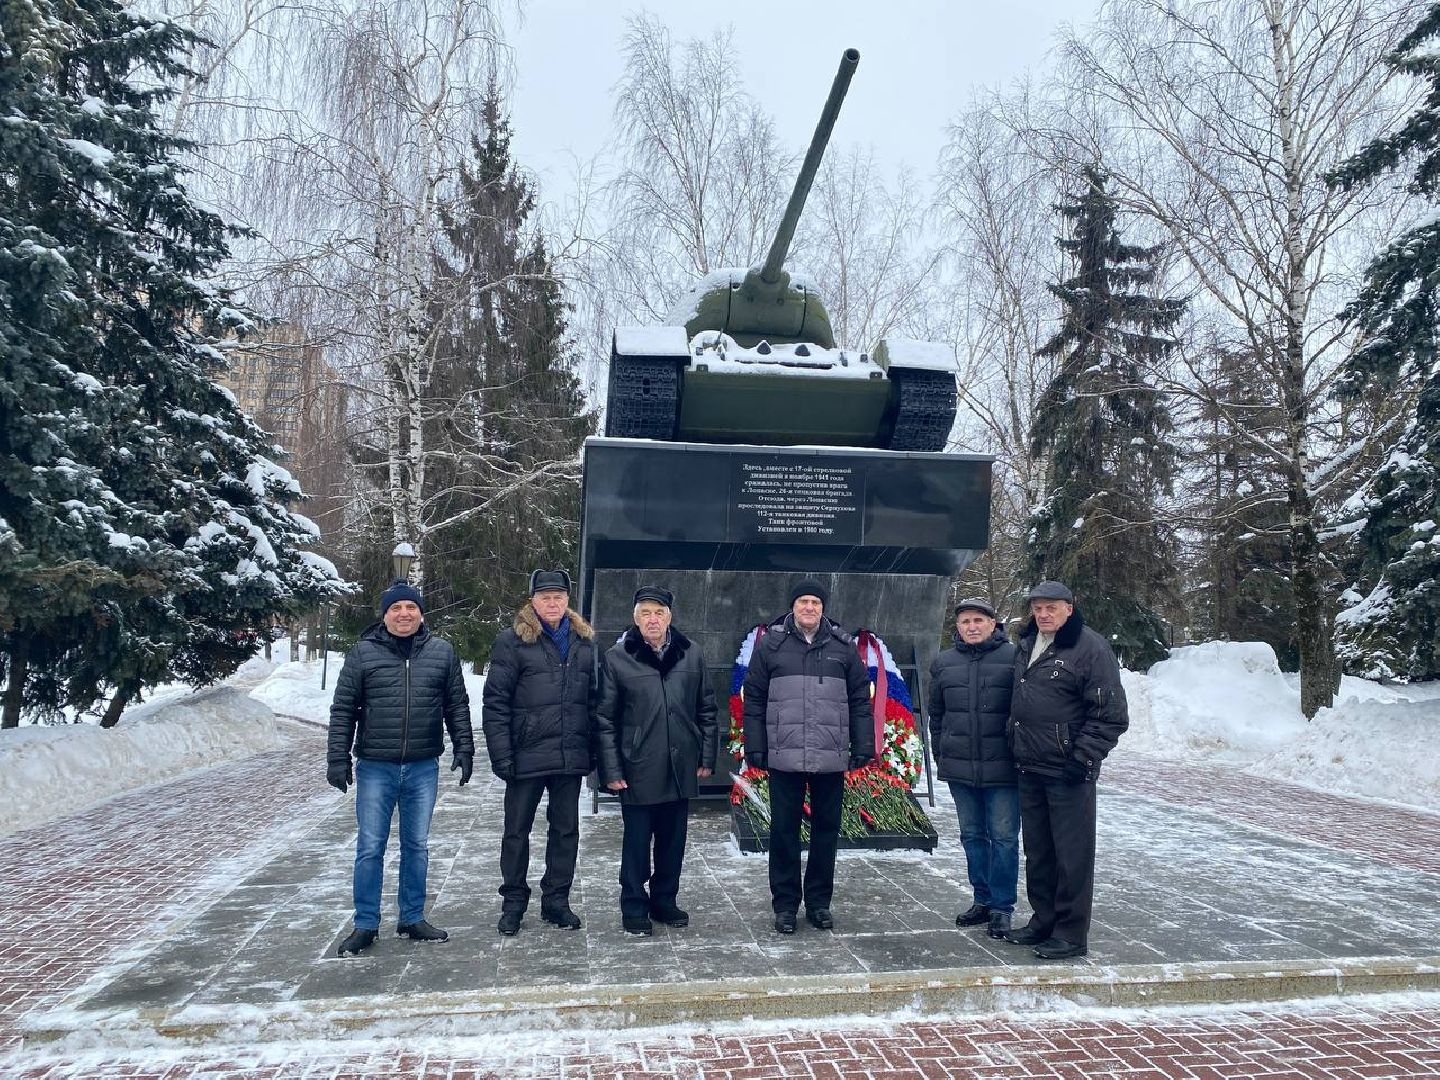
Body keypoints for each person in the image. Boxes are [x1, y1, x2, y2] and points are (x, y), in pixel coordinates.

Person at [327, 580, 475, 958]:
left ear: (421, 613)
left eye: (411, 607)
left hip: (423, 766)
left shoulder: (441, 652)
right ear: (385, 615)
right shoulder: (363, 653)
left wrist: (465, 747)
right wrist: (338, 758)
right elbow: (343, 709)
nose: (404, 614)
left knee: (416, 846)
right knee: (370, 846)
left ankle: (412, 917)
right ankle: (365, 923)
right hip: (376, 766)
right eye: (396, 608)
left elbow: (456, 705)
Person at [1004, 580, 1128, 960]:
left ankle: (1071, 933)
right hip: (1029, 765)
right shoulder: (1027, 644)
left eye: (1051, 608)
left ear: (1069, 609)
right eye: (1038, 608)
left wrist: (1083, 758)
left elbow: (1110, 715)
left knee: (1071, 856)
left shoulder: (1090, 648)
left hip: (1068, 771)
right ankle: (1043, 920)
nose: (1043, 614)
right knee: (1039, 851)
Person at [742, 577, 874, 934]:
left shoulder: (843, 647)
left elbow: (860, 699)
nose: (809, 608)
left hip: (829, 755)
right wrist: (755, 745)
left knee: (826, 831)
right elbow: (754, 698)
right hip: (785, 755)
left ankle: (818, 903)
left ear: (823, 608)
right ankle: (785, 905)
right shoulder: (771, 645)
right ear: (793, 606)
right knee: (784, 831)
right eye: (803, 602)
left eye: (815, 602)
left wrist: (863, 745)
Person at [596, 586, 719, 936]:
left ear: (669, 617)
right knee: (637, 844)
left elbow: (707, 709)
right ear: (636, 619)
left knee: (673, 842)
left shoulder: (691, 654)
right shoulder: (618, 657)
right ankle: (634, 905)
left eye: (659, 612)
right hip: (638, 766)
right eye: (646, 613)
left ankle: (665, 900)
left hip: (680, 766)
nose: (653, 619)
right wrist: (611, 770)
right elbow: (604, 718)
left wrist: (706, 755)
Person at [482, 569, 597, 936]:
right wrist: (502, 755)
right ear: (532, 601)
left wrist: (592, 749)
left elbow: (594, 701)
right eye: (545, 597)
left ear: (567, 601)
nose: (552, 603)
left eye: (558, 596)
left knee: (565, 832)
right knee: (516, 832)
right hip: (526, 756)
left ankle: (556, 901)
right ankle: (513, 903)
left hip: (568, 755)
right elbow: (495, 702)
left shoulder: (584, 642)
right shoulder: (512, 641)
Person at [928, 597, 1019, 940]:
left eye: (979, 620)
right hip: (960, 767)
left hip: (1004, 768)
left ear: (993, 624)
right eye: (965, 621)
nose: (972, 627)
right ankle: (982, 899)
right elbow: (937, 715)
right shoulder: (944, 662)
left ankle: (1002, 907)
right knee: (972, 836)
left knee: (1004, 838)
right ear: (958, 627)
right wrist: (941, 753)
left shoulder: (1014, 658)